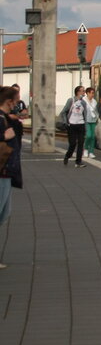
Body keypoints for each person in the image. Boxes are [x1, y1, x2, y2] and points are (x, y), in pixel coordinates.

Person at [0, 85, 24, 269]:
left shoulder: (6, 118)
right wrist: (3, 136)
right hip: (2, 171)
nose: (18, 103)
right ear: (9, 102)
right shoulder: (1, 120)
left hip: (7, 172)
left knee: (4, 213)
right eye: (16, 100)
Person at [62, 85, 87, 167]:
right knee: (72, 143)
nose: (84, 93)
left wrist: (85, 126)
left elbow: (85, 114)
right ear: (77, 92)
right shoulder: (71, 100)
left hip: (81, 124)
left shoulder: (84, 102)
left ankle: (78, 161)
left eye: (84, 91)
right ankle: (67, 156)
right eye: (82, 91)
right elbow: (64, 111)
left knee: (81, 143)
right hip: (72, 125)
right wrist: (66, 122)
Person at [83, 87, 100, 159]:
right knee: (88, 135)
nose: (93, 94)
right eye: (92, 93)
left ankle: (91, 152)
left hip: (93, 120)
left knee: (93, 136)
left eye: (93, 93)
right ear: (87, 93)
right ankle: (86, 149)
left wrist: (98, 118)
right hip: (86, 120)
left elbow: (96, 111)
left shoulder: (94, 101)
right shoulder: (83, 101)